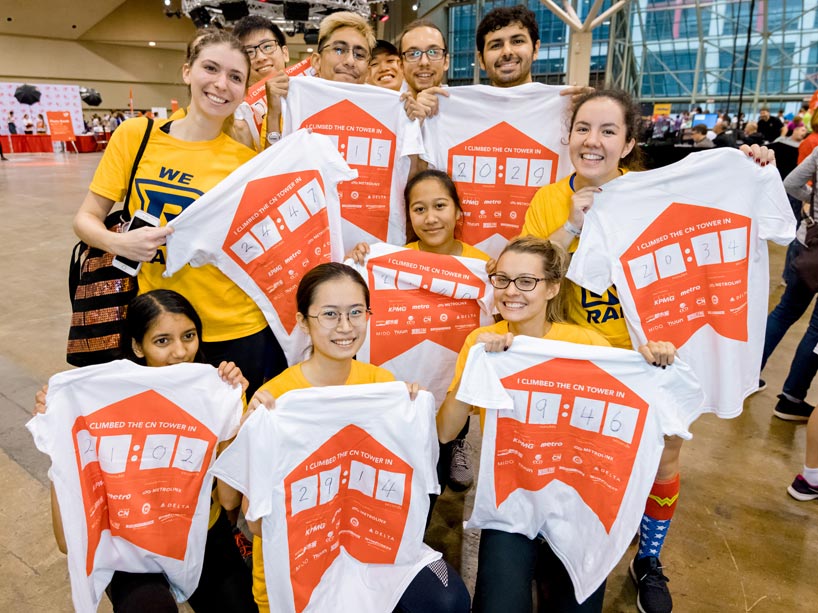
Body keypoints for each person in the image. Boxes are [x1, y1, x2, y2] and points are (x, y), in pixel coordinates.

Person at [521, 88, 774, 613]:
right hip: (579, 354)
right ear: (567, 137)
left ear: (629, 141)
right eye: (583, 128)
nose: (593, 141)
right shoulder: (547, 199)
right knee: (579, 458)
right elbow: (528, 273)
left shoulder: (654, 193)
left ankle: (649, 558)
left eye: (608, 131)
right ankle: (560, 544)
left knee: (664, 456)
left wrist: (750, 167)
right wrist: (570, 223)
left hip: (650, 355)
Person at [437, 236, 676, 612]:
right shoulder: (482, 343)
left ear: (552, 287)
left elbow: (637, 413)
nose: (511, 292)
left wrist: (655, 362)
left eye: (526, 281)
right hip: (513, 503)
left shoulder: (588, 344)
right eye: (502, 279)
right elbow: (446, 431)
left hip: (577, 503)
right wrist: (477, 369)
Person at [226, 262, 471, 613]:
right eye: (329, 314)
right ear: (302, 322)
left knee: (448, 599)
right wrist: (249, 433)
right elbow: (258, 524)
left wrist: (408, 413)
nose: (345, 327)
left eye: (356, 312)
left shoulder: (383, 386)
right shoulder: (277, 400)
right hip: (301, 569)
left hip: (371, 552)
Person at [72, 30, 287, 399]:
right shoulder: (137, 135)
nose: (222, 84)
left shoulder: (247, 164)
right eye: (211, 68)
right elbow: (86, 218)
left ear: (244, 89)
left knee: (232, 442)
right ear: (187, 71)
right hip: (161, 328)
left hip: (236, 327)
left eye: (236, 77)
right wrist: (119, 242)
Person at [34, 289, 257, 612]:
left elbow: (228, 499)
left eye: (189, 336)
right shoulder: (103, 405)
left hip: (200, 535)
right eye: (162, 341)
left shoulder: (217, 395)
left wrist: (235, 419)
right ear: (137, 346)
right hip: (129, 547)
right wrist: (62, 441)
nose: (180, 351)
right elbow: (67, 541)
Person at [347, 169, 490, 491]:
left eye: (440, 206)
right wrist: (359, 263)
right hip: (406, 383)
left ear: (458, 211)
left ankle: (455, 443)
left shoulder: (482, 265)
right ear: (409, 216)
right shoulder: (390, 260)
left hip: (450, 376)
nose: (431, 218)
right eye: (419, 209)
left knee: (453, 393)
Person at [761, 146, 818, 421]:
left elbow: (791, 183)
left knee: (784, 312)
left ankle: (746, 376)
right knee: (817, 330)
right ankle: (791, 398)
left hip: (808, 242)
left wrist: (811, 199)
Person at [232, 15, 290, 149]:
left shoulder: (308, 94)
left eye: (267, 46)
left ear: (285, 53)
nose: (261, 57)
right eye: (249, 52)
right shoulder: (234, 112)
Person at [310, 11, 375, 85]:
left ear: (368, 72)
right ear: (317, 61)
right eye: (339, 50)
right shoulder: (297, 95)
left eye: (359, 55)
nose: (350, 61)